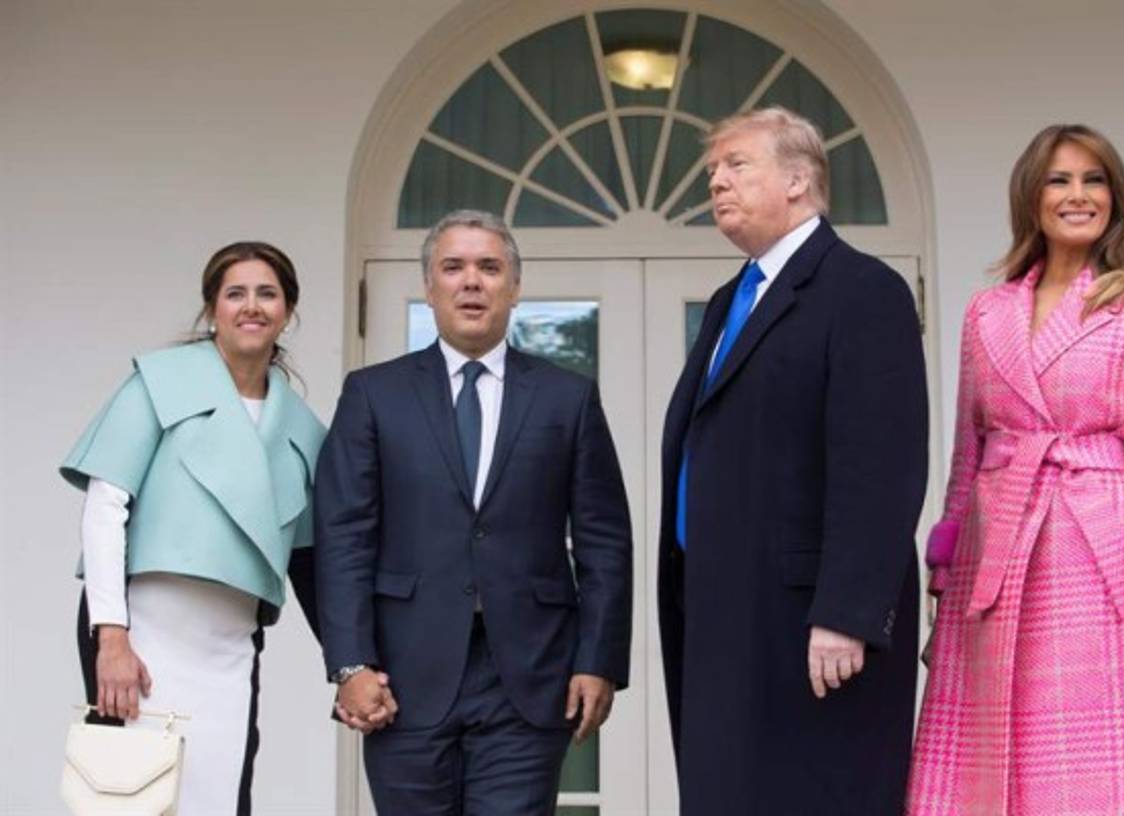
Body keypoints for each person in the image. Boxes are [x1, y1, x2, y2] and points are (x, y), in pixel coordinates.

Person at [908, 124, 1124, 815]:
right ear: (1030, 198)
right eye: (1059, 180)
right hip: (995, 552)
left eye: (1094, 180)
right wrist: (943, 589)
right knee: (977, 764)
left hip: (1095, 558)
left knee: (1097, 774)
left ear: (1115, 198)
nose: (1078, 195)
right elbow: (966, 456)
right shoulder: (988, 312)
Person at [314, 209, 633, 814]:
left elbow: (604, 540)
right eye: (453, 267)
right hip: (403, 676)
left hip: (529, 675)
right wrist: (349, 663)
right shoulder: (372, 395)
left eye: (490, 268)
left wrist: (600, 660)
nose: (471, 281)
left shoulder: (568, 398)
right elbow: (343, 536)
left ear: (514, 288)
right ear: (429, 287)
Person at [657, 106, 929, 814]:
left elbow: (884, 462)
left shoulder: (862, 290)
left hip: (813, 624)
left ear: (800, 179)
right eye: (712, 170)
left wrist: (848, 609)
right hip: (720, 614)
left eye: (737, 165)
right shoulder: (727, 302)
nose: (716, 181)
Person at [60, 241, 326, 815]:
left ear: (288, 311)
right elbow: (106, 508)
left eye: (266, 293)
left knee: (222, 799)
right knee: (127, 797)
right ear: (212, 309)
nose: (251, 306)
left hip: (230, 646)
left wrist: (351, 664)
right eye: (235, 293)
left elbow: (310, 564)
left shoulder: (303, 431)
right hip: (140, 636)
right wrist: (111, 637)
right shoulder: (158, 382)